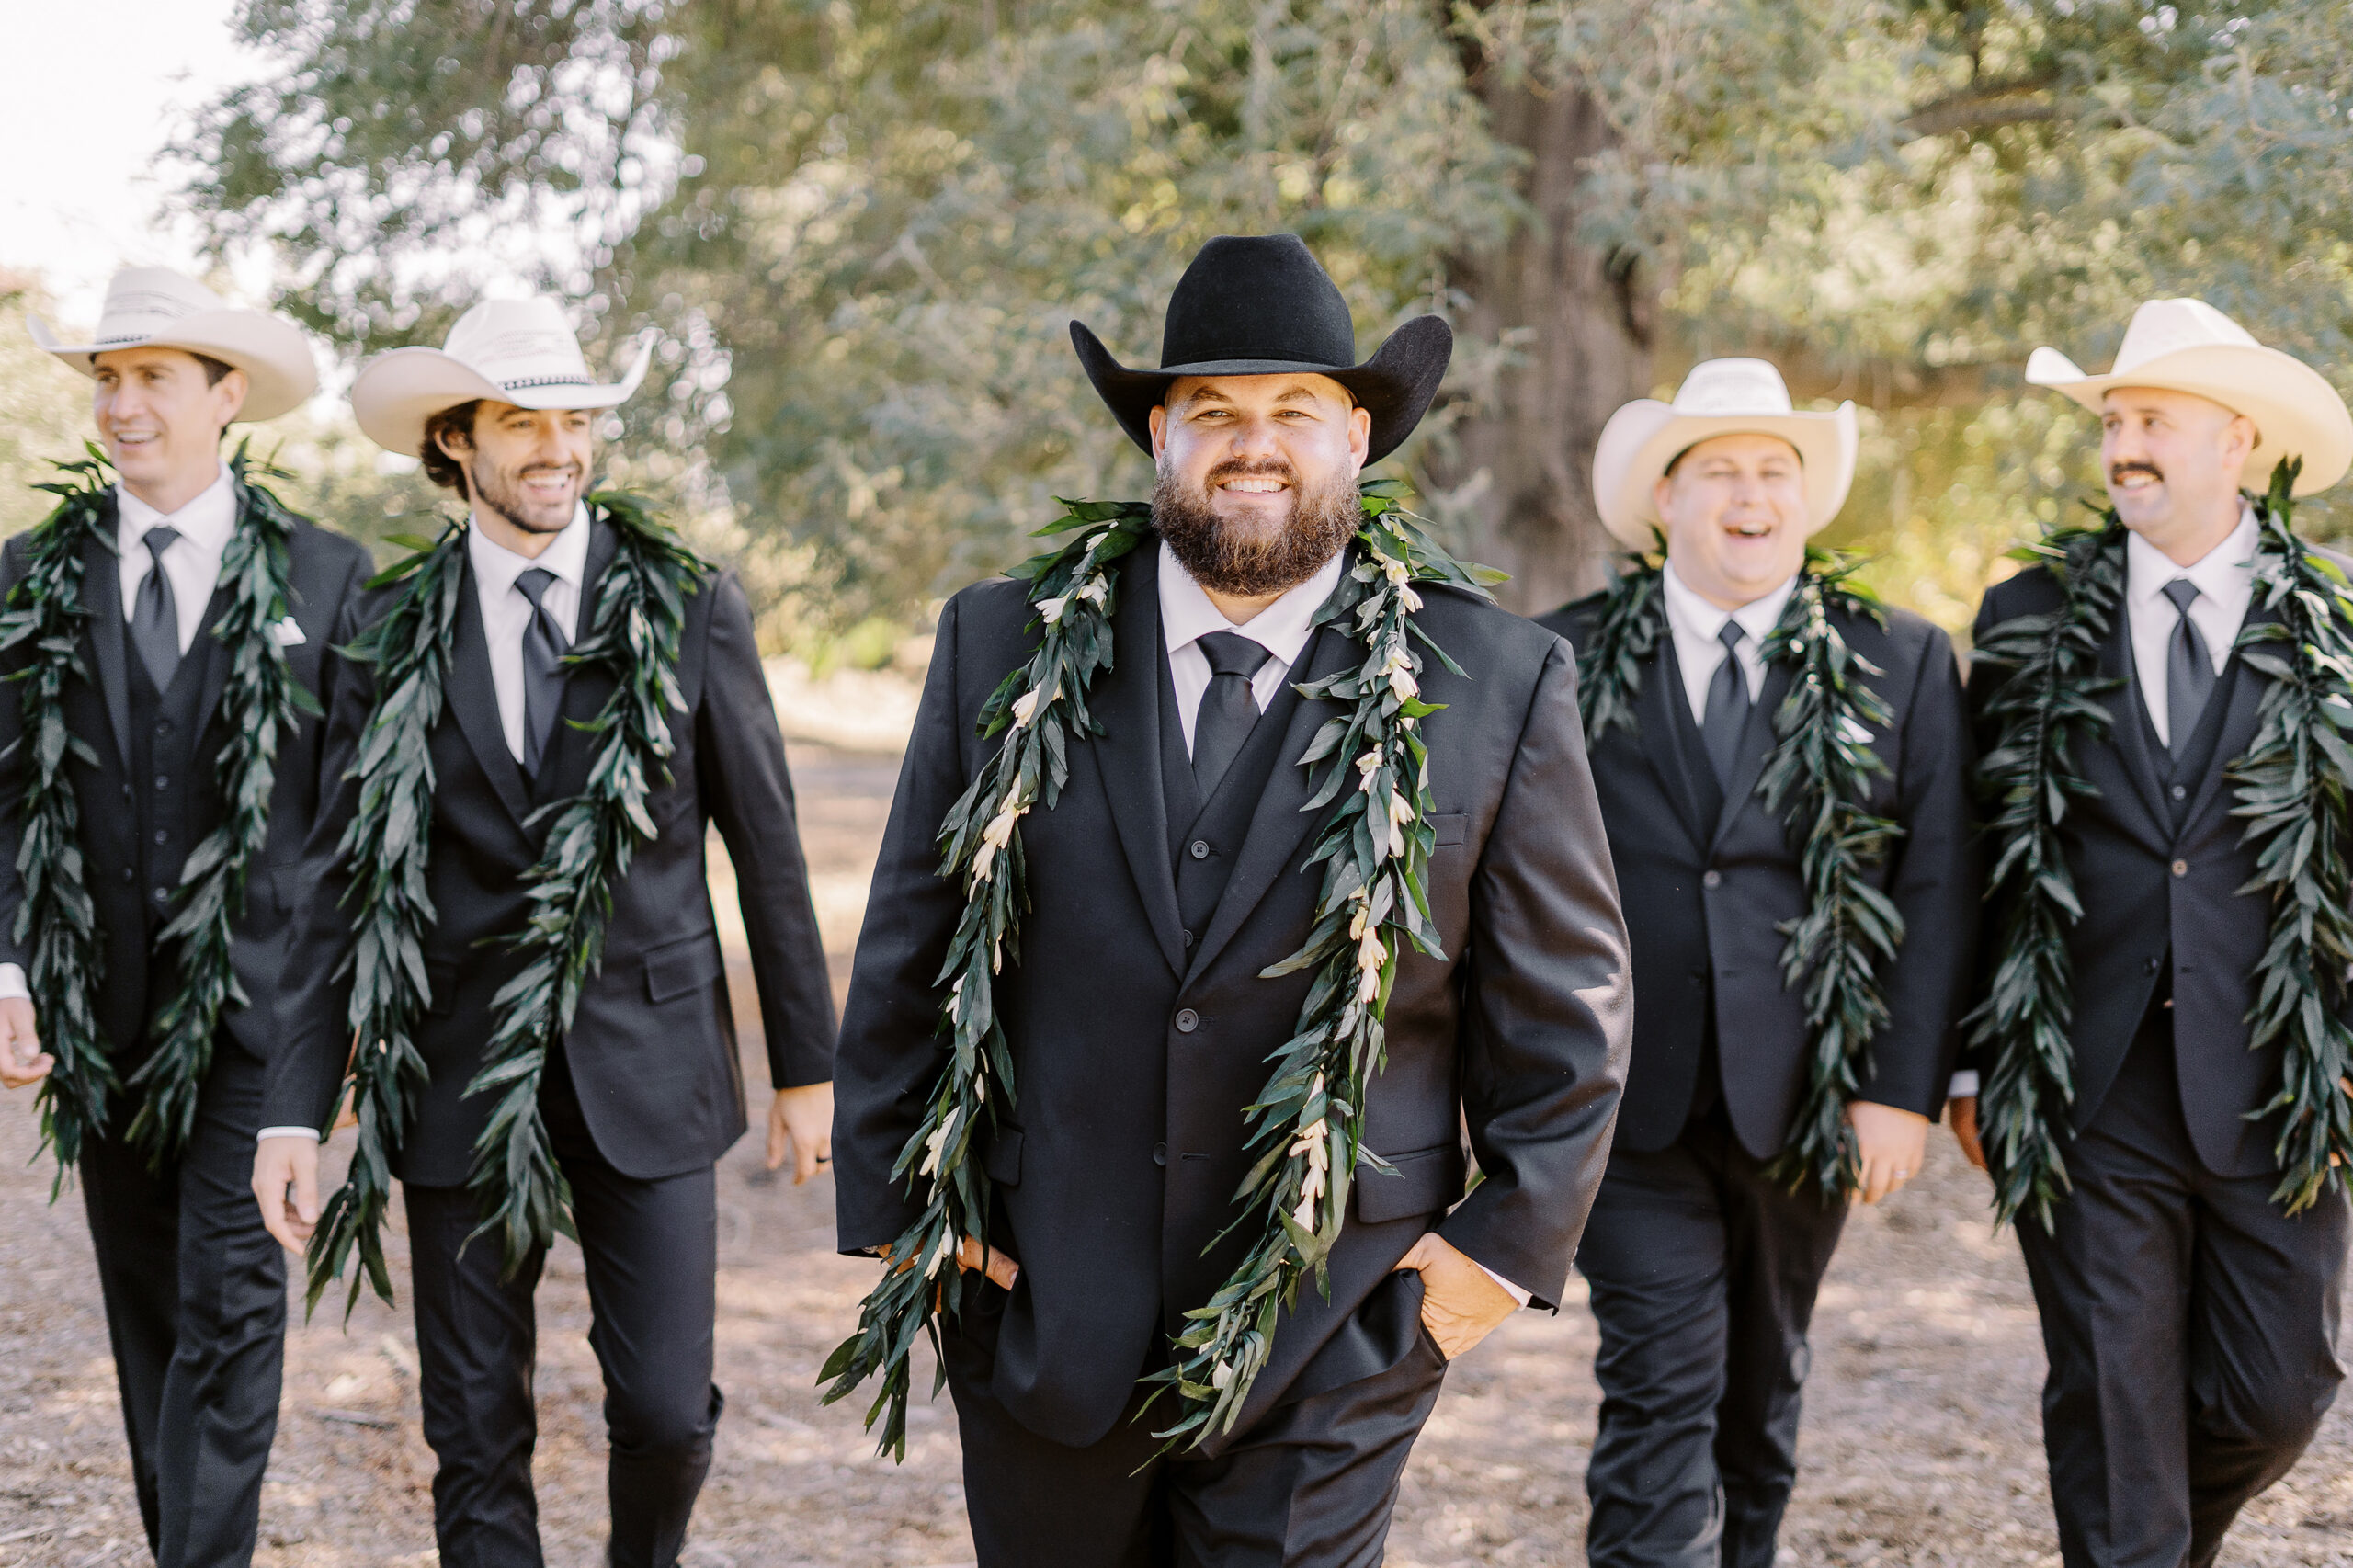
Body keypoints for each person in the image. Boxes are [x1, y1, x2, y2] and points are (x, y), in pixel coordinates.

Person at [829, 233, 1631, 1567]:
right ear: (1159, 432)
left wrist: (1483, 1270)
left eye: (1294, 413)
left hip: (1340, 1329)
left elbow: (1570, 1008)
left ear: (1358, 436)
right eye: (1213, 412)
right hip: (1039, 1304)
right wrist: (915, 1216)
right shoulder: (999, 641)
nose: (1252, 446)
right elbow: (913, 944)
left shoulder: (1498, 677)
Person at [248, 297, 837, 1568]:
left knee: (669, 1413)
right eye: (524, 421)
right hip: (453, 1067)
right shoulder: (390, 625)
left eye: (577, 419)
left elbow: (768, 846)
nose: (559, 447)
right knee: (472, 1427)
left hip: (655, 1059)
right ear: (457, 441)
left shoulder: (688, 603)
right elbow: (333, 882)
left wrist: (808, 1065)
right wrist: (295, 1108)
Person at [1538, 358, 1978, 1568]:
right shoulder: (1559, 660)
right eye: (1719, 470)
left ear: (1804, 497)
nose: (1750, 494)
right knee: (1659, 1374)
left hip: (1813, 1098)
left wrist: (1897, 1088)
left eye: (1774, 470)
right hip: (1624, 1099)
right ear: (1665, 500)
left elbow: (1936, 887)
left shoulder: (1902, 659)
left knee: (1761, 1382)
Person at [1958, 298, 2353, 1568]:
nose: (2124, 443)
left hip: (2282, 1074)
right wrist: (1965, 1060)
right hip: (2083, 1072)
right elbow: (1978, 850)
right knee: (2115, 1404)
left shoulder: (2334, 624)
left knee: (2277, 1395)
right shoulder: (2026, 611)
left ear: (2236, 437)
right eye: (2115, 419)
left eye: (2154, 421)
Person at [0, 267, 369, 1567]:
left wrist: (335, 1052)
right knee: (150, 1315)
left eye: (152, 375)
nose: (121, 402)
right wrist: (6, 962)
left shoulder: (329, 577)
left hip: (261, 1023)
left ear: (226, 394)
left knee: (229, 1310)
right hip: (99, 1022)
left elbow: (348, 829)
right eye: (107, 377)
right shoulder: (29, 572)